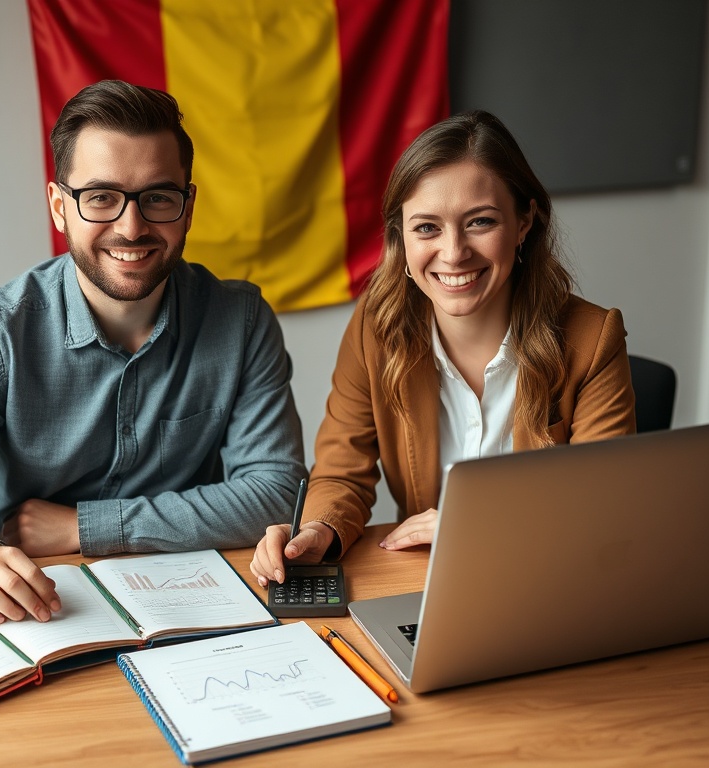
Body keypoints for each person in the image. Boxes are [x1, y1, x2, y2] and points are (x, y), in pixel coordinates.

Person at [0, 80, 306, 624]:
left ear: (188, 206)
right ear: (60, 207)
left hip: (188, 598)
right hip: (34, 603)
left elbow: (274, 492)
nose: (132, 228)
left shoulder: (241, 320)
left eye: (158, 197)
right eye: (101, 197)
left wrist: (84, 527)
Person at [250, 110, 635, 586]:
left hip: (552, 580)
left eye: (480, 222)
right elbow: (342, 475)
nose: (453, 253)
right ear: (401, 237)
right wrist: (315, 530)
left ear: (524, 222)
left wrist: (479, 526)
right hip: (432, 584)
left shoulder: (592, 337)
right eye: (427, 227)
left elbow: (601, 508)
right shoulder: (376, 327)